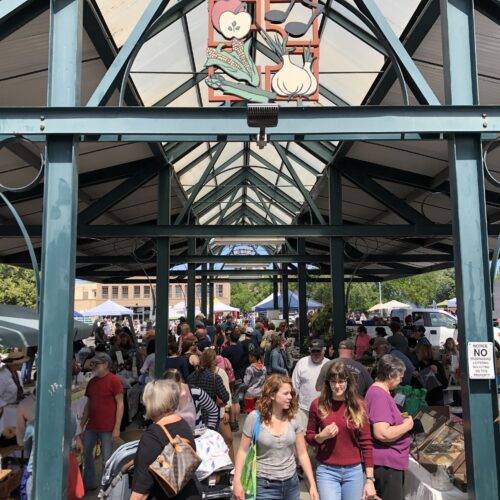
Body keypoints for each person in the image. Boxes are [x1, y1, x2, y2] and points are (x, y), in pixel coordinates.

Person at [232, 374, 319, 500]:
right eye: (285, 393)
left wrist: (312, 484)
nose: (290, 397)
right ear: (272, 395)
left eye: (291, 393)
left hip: (291, 485)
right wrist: (237, 481)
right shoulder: (255, 418)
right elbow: (242, 451)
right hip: (264, 486)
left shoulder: (295, 418)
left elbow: (302, 453)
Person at [306, 361, 376, 500]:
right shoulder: (317, 404)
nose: (337, 386)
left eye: (341, 381)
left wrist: (369, 479)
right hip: (327, 470)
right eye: (333, 381)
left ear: (348, 382)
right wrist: (321, 436)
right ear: (328, 383)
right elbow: (309, 437)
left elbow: (366, 443)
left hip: (354, 471)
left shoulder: (359, 405)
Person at [130, 379, 201, 500]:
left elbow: (141, 493)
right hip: (191, 492)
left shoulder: (152, 436)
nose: (144, 404)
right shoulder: (183, 424)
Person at [365, 355, 414, 500]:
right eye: (399, 376)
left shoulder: (378, 392)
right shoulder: (379, 395)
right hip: (386, 464)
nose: (401, 380)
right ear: (390, 375)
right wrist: (407, 426)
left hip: (387, 462)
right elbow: (382, 433)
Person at [82, 353, 124, 490]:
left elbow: (120, 404)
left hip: (107, 426)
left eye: (97, 364)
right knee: (86, 454)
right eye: (93, 364)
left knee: (107, 459)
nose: (94, 367)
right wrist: (82, 423)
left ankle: (105, 487)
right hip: (92, 425)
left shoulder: (114, 380)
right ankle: (90, 483)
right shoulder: (92, 382)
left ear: (106, 365)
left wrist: (117, 427)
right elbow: (88, 405)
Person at [292, 338, 330, 427]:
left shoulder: (329, 364)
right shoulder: (302, 362)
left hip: (324, 408)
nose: (316, 354)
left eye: (318, 351)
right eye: (313, 351)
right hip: (304, 408)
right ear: (310, 351)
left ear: (324, 351)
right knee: (304, 434)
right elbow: (294, 385)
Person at [222, 330, 246, 431]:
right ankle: (236, 422)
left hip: (229, 378)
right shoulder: (242, 349)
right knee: (236, 400)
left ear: (230, 338)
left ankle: (232, 422)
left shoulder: (226, 350)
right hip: (240, 376)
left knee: (231, 400)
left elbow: (223, 363)